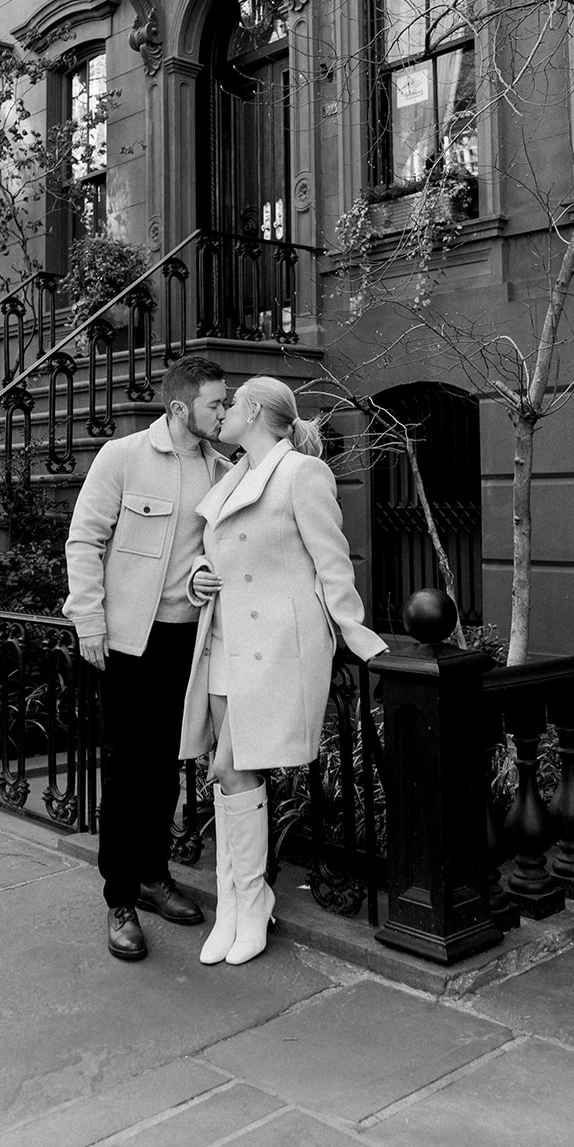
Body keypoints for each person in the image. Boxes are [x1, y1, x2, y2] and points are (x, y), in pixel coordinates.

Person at [180, 376, 388, 966]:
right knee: (227, 771)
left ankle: (247, 901)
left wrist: (353, 629)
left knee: (229, 765)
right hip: (223, 638)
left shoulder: (300, 472)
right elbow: (217, 550)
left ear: (253, 410)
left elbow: (332, 559)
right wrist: (198, 574)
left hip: (272, 643)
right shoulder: (231, 475)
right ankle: (238, 904)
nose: (220, 414)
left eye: (230, 404)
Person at [63, 354, 231, 961]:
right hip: (129, 642)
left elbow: (209, 552)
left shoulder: (220, 468)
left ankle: (155, 876)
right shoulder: (123, 457)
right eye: (216, 403)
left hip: (188, 639)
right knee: (129, 769)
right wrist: (88, 621)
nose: (225, 411)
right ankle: (119, 897)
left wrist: (201, 580)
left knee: (167, 766)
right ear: (182, 407)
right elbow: (85, 539)